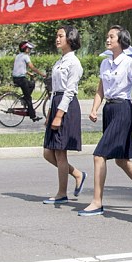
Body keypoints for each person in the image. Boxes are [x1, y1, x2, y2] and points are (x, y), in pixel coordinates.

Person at [81, 25, 132, 216]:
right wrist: (94, 108)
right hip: (109, 109)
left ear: (121, 40)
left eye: (112, 36)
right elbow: (101, 89)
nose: (108, 39)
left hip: (123, 109)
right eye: (107, 36)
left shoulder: (131, 63)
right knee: (121, 160)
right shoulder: (105, 64)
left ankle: (97, 201)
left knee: (99, 155)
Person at [42, 26, 86, 204]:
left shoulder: (73, 62)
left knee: (60, 153)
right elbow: (55, 89)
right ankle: (77, 174)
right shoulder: (60, 61)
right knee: (48, 152)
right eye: (57, 35)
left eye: (61, 36)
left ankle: (62, 193)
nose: (57, 39)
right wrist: (50, 113)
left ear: (70, 38)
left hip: (66, 106)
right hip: (56, 103)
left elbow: (70, 91)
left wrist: (59, 114)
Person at [12, 41, 46, 122]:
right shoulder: (25, 56)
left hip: (16, 78)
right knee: (29, 99)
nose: (30, 50)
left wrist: (29, 73)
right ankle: (33, 116)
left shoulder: (18, 56)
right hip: (21, 79)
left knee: (32, 84)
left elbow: (19, 68)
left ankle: (24, 98)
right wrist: (42, 74)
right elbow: (32, 67)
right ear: (25, 48)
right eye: (29, 48)